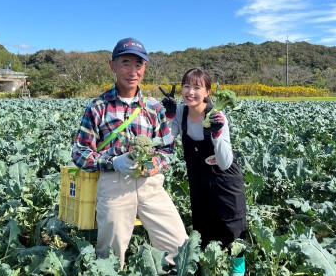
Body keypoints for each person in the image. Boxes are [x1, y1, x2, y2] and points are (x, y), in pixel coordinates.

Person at [71, 37, 188, 269]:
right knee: (111, 259)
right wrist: (113, 162)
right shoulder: (98, 107)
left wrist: (156, 164)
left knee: (179, 247)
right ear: (112, 66)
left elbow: (167, 149)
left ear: (144, 68)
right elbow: (80, 153)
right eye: (125, 63)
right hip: (115, 187)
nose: (132, 71)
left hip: (150, 185)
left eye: (138, 64)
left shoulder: (154, 107)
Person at [160, 68, 247, 276]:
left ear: (207, 92)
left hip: (225, 180)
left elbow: (225, 162)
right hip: (198, 181)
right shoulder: (181, 113)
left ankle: (237, 271)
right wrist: (169, 117)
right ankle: (206, 269)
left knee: (232, 229)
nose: (190, 92)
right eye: (186, 86)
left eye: (197, 87)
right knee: (203, 229)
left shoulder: (217, 116)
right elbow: (166, 141)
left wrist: (216, 132)